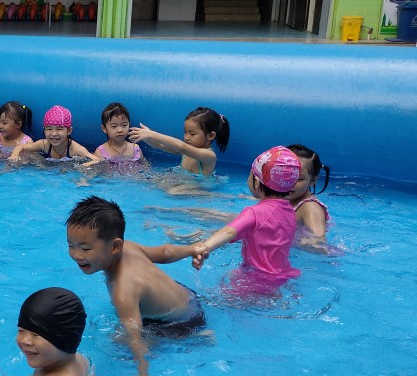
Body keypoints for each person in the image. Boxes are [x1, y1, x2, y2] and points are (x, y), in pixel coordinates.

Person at [66, 197, 206, 376]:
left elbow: (134, 334)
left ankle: (199, 338)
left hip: (181, 324)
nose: (76, 255)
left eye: (85, 248)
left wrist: (143, 373)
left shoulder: (122, 290)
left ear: (115, 246)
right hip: (188, 297)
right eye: (71, 245)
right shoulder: (129, 246)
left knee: (118, 342)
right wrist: (192, 249)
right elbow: (164, 252)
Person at [163, 146, 301, 283]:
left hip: (256, 279)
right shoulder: (290, 211)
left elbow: (229, 232)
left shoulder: (255, 213)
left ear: (257, 181)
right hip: (282, 274)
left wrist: (204, 247)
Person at [129, 106, 230, 176]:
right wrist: (145, 137)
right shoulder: (185, 152)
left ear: (211, 136)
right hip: (182, 182)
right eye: (185, 132)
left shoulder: (209, 156)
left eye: (192, 134)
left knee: (174, 192)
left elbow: (182, 147)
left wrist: (152, 134)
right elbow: (159, 145)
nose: (187, 137)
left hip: (199, 190)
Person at [10, 105, 98, 163]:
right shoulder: (44, 144)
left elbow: (97, 160)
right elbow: (21, 147)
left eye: (59, 129)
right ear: (44, 130)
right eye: (49, 129)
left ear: (69, 131)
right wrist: (14, 155)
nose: (54, 133)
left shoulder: (75, 149)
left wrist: (86, 165)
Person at [286, 144, 330, 243]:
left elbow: (319, 242)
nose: (289, 182)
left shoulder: (310, 208)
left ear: (313, 180)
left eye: (299, 179)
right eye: (285, 175)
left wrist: (309, 243)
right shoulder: (282, 195)